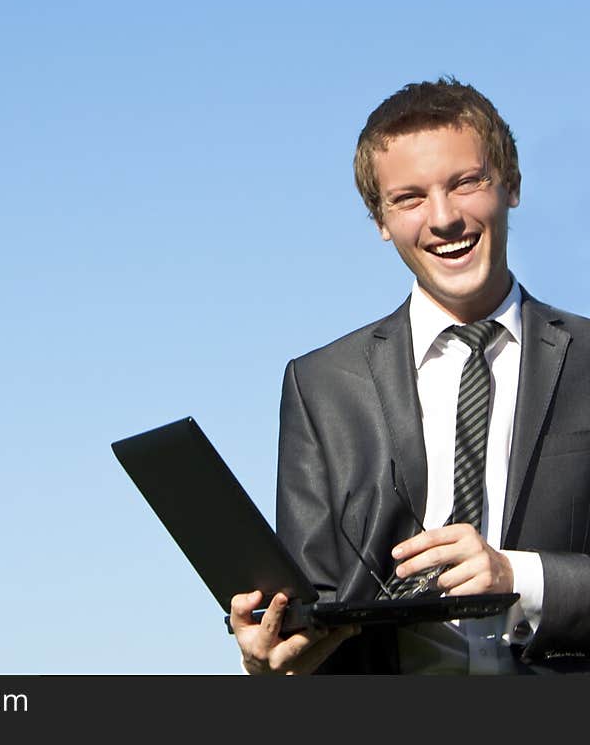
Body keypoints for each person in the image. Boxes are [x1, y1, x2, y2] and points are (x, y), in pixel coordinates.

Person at [232, 77, 590, 674]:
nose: (444, 218)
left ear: (513, 186)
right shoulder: (319, 386)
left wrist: (518, 577)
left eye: (465, 183)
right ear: (379, 219)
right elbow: (314, 600)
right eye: (409, 198)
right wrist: (277, 645)